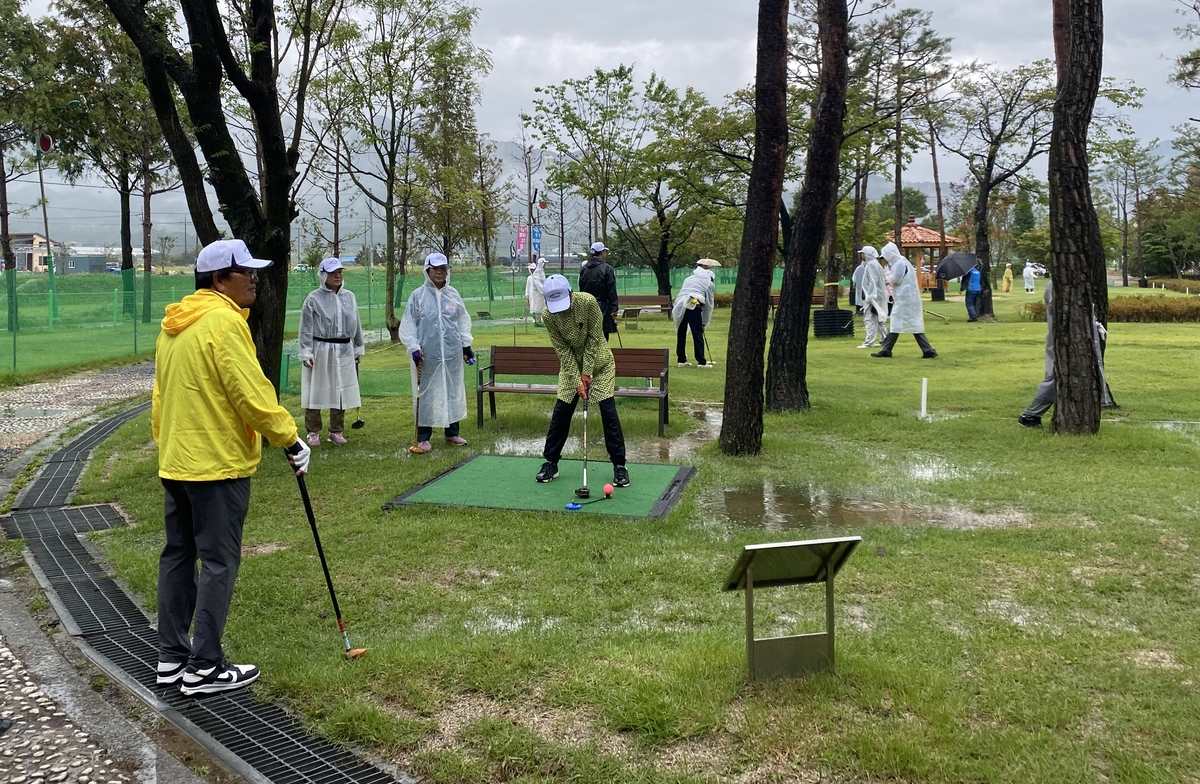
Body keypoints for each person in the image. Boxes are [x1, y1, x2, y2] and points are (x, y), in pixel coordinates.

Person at [152, 239, 311, 696]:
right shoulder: (223, 323)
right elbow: (251, 394)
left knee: (178, 555)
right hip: (216, 465)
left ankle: (172, 658)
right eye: (247, 272)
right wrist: (289, 437)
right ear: (220, 279)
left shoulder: (174, 325)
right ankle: (205, 667)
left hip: (177, 462)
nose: (256, 280)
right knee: (219, 562)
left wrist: (168, 445)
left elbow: (160, 398)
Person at [535, 274, 629, 488]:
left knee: (608, 412)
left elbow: (595, 339)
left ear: (571, 293)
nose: (561, 310)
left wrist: (587, 373)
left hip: (601, 364)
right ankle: (550, 462)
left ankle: (619, 465)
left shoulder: (588, 302)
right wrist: (578, 380)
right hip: (571, 369)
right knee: (561, 412)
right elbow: (562, 349)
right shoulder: (548, 315)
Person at [399, 253, 474, 452]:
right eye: (435, 269)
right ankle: (423, 436)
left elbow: (462, 321)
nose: (439, 272)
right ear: (427, 271)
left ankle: (452, 432)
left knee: (452, 390)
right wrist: (413, 347)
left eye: (443, 269)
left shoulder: (453, 295)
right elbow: (408, 324)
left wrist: (466, 345)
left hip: (451, 354)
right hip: (427, 355)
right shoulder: (418, 296)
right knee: (426, 393)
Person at [1018, 276, 1116, 427]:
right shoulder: (1060, 284)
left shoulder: (1075, 282)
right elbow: (1065, 313)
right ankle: (1031, 415)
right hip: (1064, 338)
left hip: (1071, 337)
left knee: (1066, 373)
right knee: (1056, 375)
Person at [299, 258, 364, 446]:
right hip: (321, 349)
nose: (337, 276)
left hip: (344, 349)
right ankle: (313, 431)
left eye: (340, 272)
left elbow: (356, 323)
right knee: (316, 389)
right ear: (323, 275)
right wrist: (306, 352)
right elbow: (306, 328)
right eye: (333, 273)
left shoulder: (349, 297)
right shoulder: (313, 299)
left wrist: (358, 347)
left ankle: (336, 430)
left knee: (341, 389)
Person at [873, 242, 937, 359]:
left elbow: (896, 279)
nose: (885, 260)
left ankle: (887, 350)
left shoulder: (899, 263)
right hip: (906, 298)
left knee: (897, 322)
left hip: (905, 299)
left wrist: (886, 275)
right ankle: (927, 350)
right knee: (911, 323)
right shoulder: (901, 262)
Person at [672, 262, 716, 368]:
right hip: (693, 305)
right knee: (697, 333)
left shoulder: (688, 279)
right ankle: (701, 362)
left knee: (681, 332)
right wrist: (704, 323)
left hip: (680, 305)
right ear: (710, 277)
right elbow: (709, 304)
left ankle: (681, 360)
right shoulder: (709, 284)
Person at [578, 241, 619, 341]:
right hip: (602, 307)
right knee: (603, 337)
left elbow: (581, 288)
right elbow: (611, 290)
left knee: (588, 336)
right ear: (602, 252)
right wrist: (614, 308)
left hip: (586, 306)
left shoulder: (584, 269)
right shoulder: (607, 268)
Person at [856, 246, 887, 349]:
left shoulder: (870, 265)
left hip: (872, 296)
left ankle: (869, 342)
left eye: (862, 253)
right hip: (878, 295)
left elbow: (872, 281)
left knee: (869, 318)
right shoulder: (876, 264)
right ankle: (885, 339)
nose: (861, 255)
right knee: (877, 318)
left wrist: (869, 295)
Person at [525, 257, 548, 323]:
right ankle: (536, 320)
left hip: (540, 293)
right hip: (535, 293)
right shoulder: (535, 274)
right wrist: (542, 290)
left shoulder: (541, 272)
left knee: (542, 306)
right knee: (536, 306)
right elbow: (536, 284)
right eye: (544, 263)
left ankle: (541, 319)